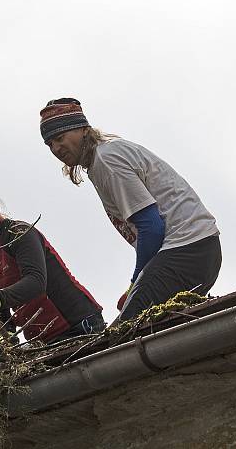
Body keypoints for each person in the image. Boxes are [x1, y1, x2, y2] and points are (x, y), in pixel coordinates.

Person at [38, 98, 221, 321]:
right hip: (199, 250)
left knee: (125, 331)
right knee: (156, 328)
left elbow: (151, 228)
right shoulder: (102, 159)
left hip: (187, 248)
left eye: (60, 138)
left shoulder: (107, 160)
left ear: (83, 129)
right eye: (49, 144)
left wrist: (136, 281)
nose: (56, 148)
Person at [0, 180, 105, 343]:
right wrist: (5, 338)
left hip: (78, 324)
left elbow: (36, 281)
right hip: (41, 340)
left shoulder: (19, 233)